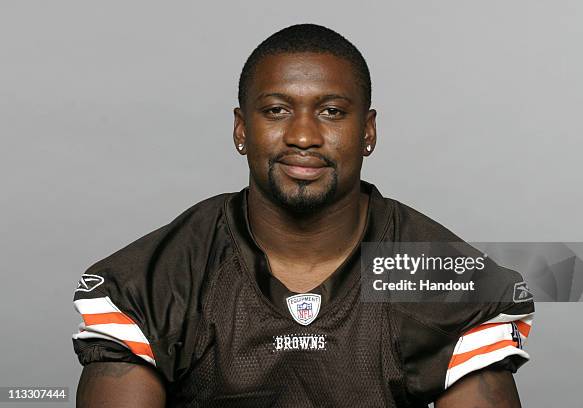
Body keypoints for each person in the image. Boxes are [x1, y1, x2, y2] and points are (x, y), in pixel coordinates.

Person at [72, 24, 534, 407]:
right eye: (277, 111)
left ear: (368, 131)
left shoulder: (437, 274)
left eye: (331, 112)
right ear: (241, 129)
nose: (303, 135)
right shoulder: (157, 280)